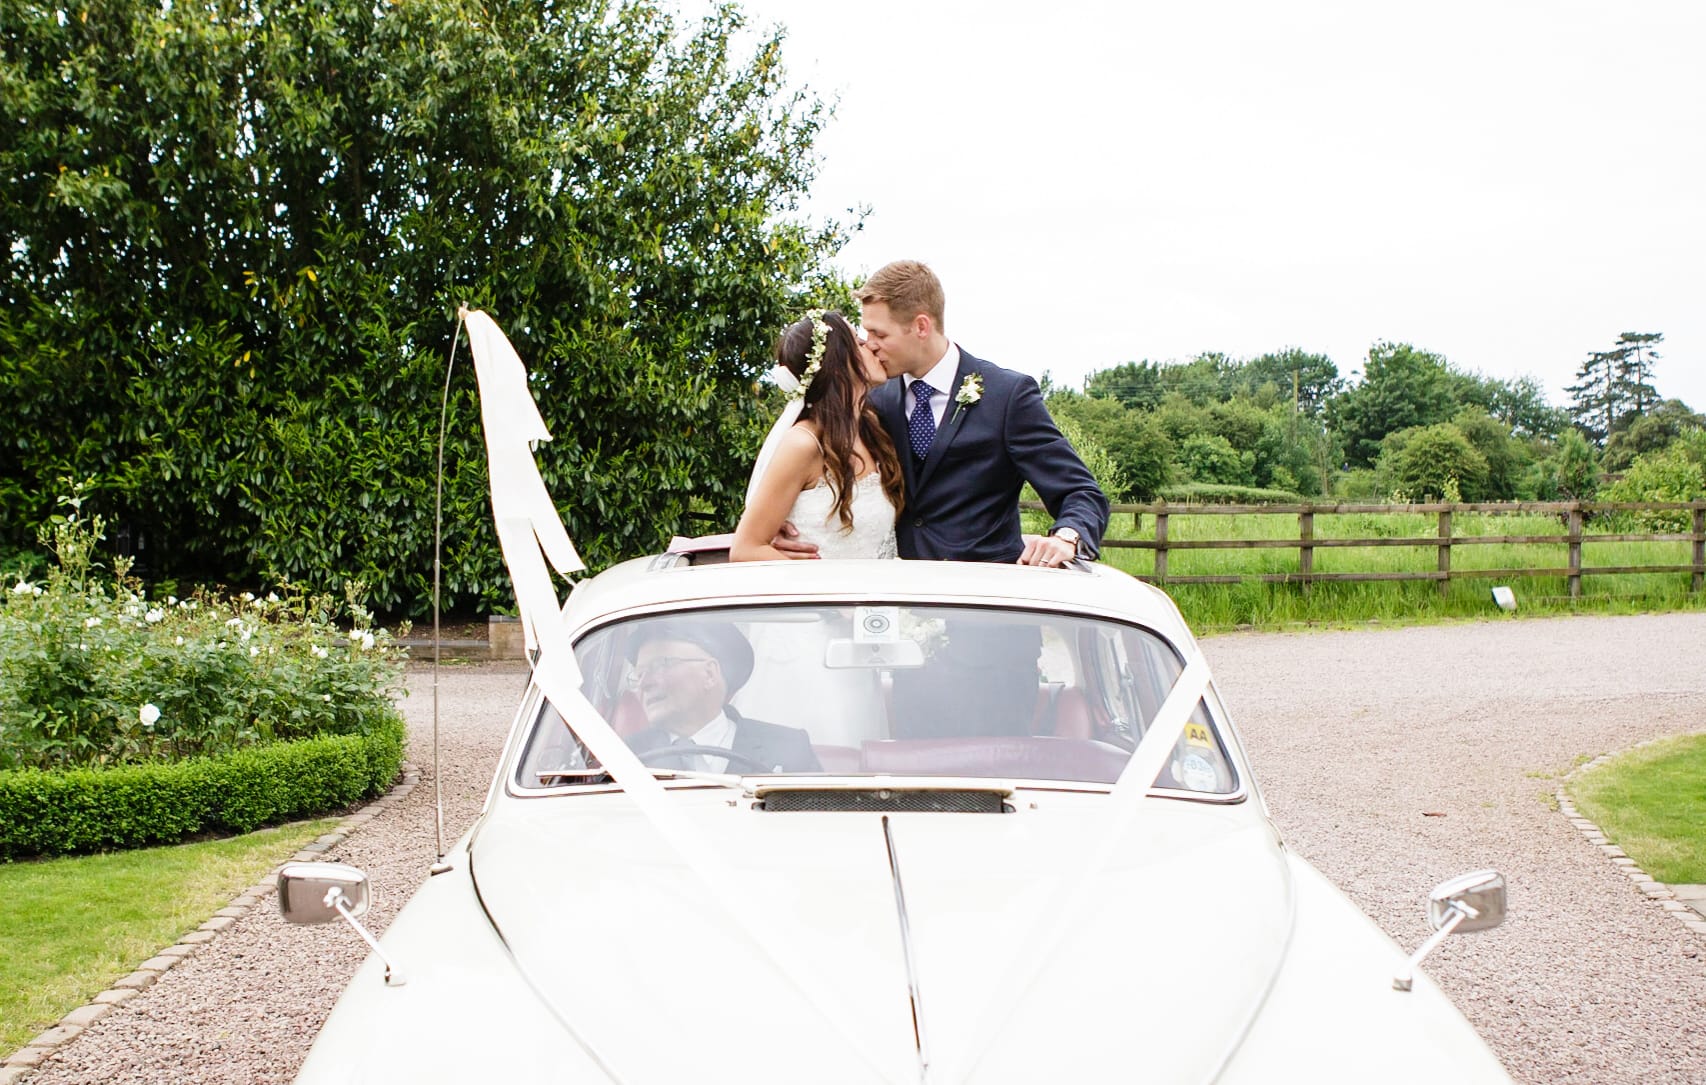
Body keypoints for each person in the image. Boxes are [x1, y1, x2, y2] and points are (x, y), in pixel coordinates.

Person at [772, 261, 1109, 566]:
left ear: (921, 326)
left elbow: (1080, 493)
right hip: (896, 611)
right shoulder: (875, 401)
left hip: (987, 608)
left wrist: (1068, 537)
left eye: (879, 334)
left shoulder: (1008, 396)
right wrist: (789, 530)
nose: (869, 345)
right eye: (866, 333)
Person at [732, 310, 904, 562]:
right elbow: (746, 548)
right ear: (837, 364)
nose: (870, 345)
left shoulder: (873, 429)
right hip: (827, 599)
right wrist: (819, 582)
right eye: (857, 341)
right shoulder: (803, 444)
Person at [624, 620, 821, 773]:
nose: (644, 684)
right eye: (639, 674)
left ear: (709, 674)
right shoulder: (621, 756)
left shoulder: (788, 747)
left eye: (660, 665)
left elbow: (820, 822)